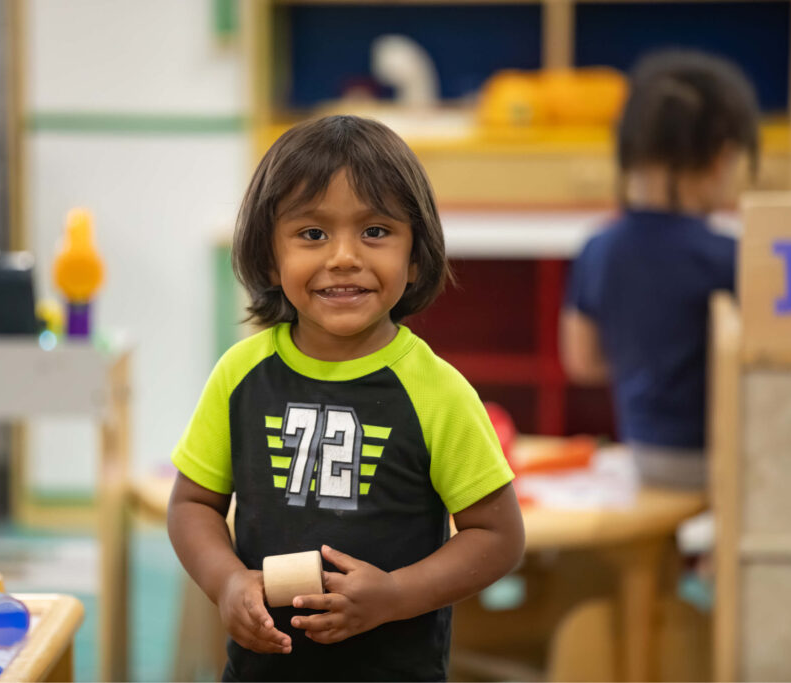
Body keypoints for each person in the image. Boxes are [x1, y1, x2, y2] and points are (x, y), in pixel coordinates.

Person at [167, 115, 525, 681]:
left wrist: (394, 595)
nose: (343, 257)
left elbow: (498, 537)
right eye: (312, 234)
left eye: (375, 231)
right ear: (269, 256)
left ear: (414, 258)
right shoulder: (240, 374)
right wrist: (227, 581)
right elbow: (192, 506)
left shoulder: (437, 390)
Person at [561, 50, 761, 490]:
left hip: (643, 455)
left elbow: (583, 362)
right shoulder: (732, 255)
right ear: (720, 159)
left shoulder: (598, 248)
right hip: (722, 462)